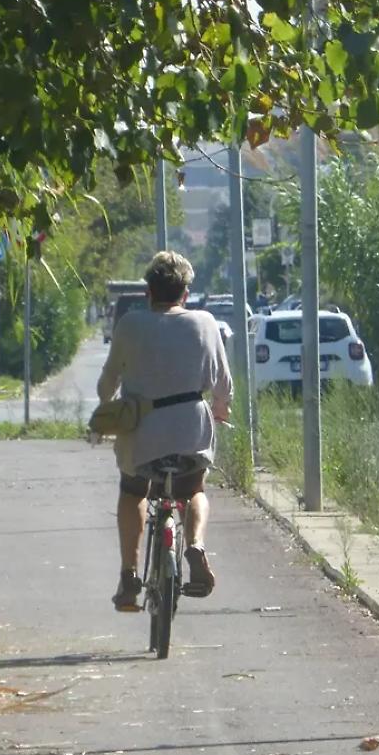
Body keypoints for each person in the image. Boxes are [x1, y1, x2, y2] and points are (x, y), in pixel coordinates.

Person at [96, 251, 233, 611]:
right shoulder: (205, 323)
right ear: (185, 293)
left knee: (133, 490)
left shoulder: (129, 325)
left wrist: (107, 404)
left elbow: (107, 382)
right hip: (191, 427)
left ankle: (129, 575)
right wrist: (220, 408)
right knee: (194, 490)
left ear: (148, 293)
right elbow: (223, 385)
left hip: (142, 431)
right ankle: (195, 546)